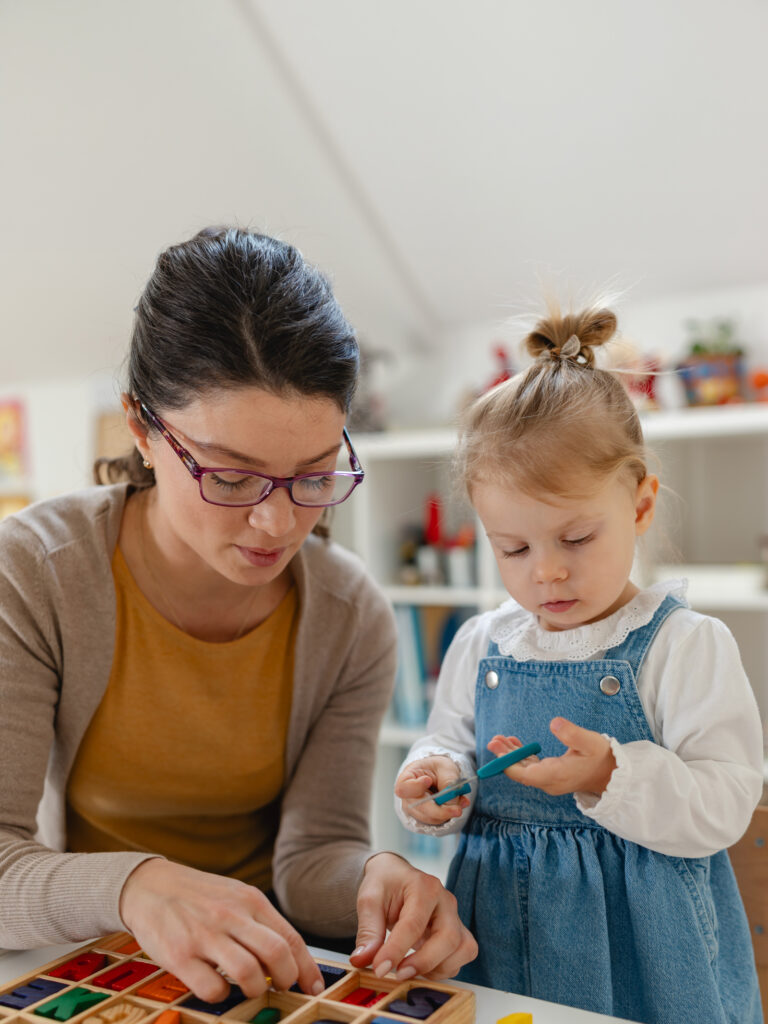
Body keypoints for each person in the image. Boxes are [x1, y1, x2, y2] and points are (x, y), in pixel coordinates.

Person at [0, 226, 476, 1002]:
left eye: (315, 475)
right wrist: (138, 889)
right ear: (142, 429)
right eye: (230, 478)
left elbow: (315, 853)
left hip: (274, 978)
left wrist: (378, 874)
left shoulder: (350, 614)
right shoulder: (35, 572)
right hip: (91, 972)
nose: (278, 524)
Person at [394, 303, 764, 1023]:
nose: (547, 575)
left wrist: (608, 775)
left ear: (641, 504)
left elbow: (727, 801)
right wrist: (435, 777)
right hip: (495, 926)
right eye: (514, 549)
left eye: (576, 538)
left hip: (649, 951)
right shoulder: (483, 644)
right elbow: (450, 746)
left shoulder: (682, 645)